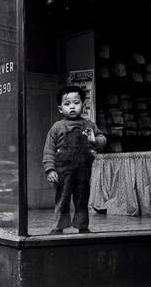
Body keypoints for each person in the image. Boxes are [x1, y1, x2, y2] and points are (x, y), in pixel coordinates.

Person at [43, 85, 106, 234]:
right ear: (60, 109)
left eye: (76, 103)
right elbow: (48, 150)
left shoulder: (89, 125)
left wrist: (96, 140)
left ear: (83, 106)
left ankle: (82, 225)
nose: (72, 107)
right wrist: (50, 169)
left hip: (83, 171)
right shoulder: (57, 127)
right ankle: (58, 226)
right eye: (67, 104)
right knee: (62, 200)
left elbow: (103, 139)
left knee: (82, 199)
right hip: (63, 172)